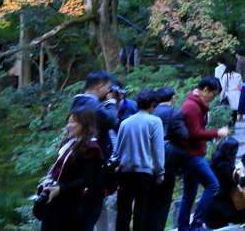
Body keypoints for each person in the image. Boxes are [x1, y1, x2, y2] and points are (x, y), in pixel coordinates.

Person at [178, 76, 230, 231]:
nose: (213, 98)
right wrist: (217, 133)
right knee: (213, 185)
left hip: (191, 154)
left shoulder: (195, 104)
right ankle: (197, 224)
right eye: (213, 94)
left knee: (189, 193)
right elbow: (194, 133)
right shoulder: (192, 106)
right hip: (192, 155)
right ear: (205, 90)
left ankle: (184, 227)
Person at [39, 108, 104, 231]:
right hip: (54, 201)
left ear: (85, 123)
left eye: (73, 122)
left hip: (71, 204)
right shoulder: (69, 143)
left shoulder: (91, 148)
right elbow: (58, 170)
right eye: (68, 122)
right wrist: (48, 180)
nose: (69, 125)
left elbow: (87, 179)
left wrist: (60, 189)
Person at [70, 71, 119, 230]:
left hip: (86, 162)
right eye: (108, 88)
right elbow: (109, 120)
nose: (109, 91)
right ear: (100, 86)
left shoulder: (81, 102)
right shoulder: (89, 103)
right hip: (92, 164)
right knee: (90, 211)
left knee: (90, 212)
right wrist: (111, 102)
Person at [113, 89, 164, 231]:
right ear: (153, 104)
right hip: (145, 173)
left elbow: (118, 150)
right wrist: (160, 173)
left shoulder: (125, 123)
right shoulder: (155, 121)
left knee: (123, 212)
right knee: (141, 211)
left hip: (125, 172)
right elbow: (158, 150)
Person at [202, 139, 245, 229]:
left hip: (212, 204)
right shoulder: (224, 166)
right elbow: (241, 181)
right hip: (218, 207)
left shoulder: (213, 162)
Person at [151, 86, 188, 231]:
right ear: (172, 98)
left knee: (150, 198)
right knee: (164, 199)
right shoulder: (175, 113)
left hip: (149, 159)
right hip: (169, 160)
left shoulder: (150, 112)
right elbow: (183, 135)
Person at [219, 63, 242, 127]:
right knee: (235, 112)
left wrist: (221, 97)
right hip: (237, 94)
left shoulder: (225, 76)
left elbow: (223, 87)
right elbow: (240, 86)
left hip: (229, 94)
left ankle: (229, 126)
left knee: (229, 112)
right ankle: (233, 125)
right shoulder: (238, 75)